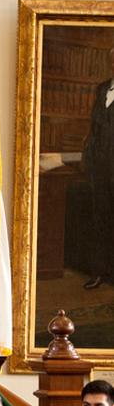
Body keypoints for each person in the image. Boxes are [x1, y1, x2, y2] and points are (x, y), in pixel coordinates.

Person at [83, 47, 114, 290]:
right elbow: (94, 130)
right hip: (100, 169)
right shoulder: (102, 89)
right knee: (99, 220)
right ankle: (99, 272)